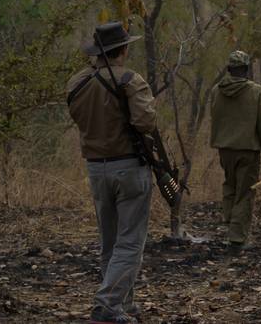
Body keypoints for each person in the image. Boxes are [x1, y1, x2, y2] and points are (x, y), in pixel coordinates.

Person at [66, 22, 158, 324]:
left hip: (96, 168)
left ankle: (123, 303)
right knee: (130, 242)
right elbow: (145, 123)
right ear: (124, 49)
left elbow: (78, 116)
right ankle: (107, 305)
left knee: (110, 241)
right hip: (129, 167)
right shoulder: (130, 80)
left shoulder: (77, 83)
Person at [209, 50, 261, 254]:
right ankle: (237, 239)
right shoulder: (256, 91)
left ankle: (230, 219)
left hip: (224, 149)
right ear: (246, 70)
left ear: (229, 69)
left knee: (230, 184)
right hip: (248, 150)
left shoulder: (215, 91)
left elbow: (215, 117)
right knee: (245, 193)